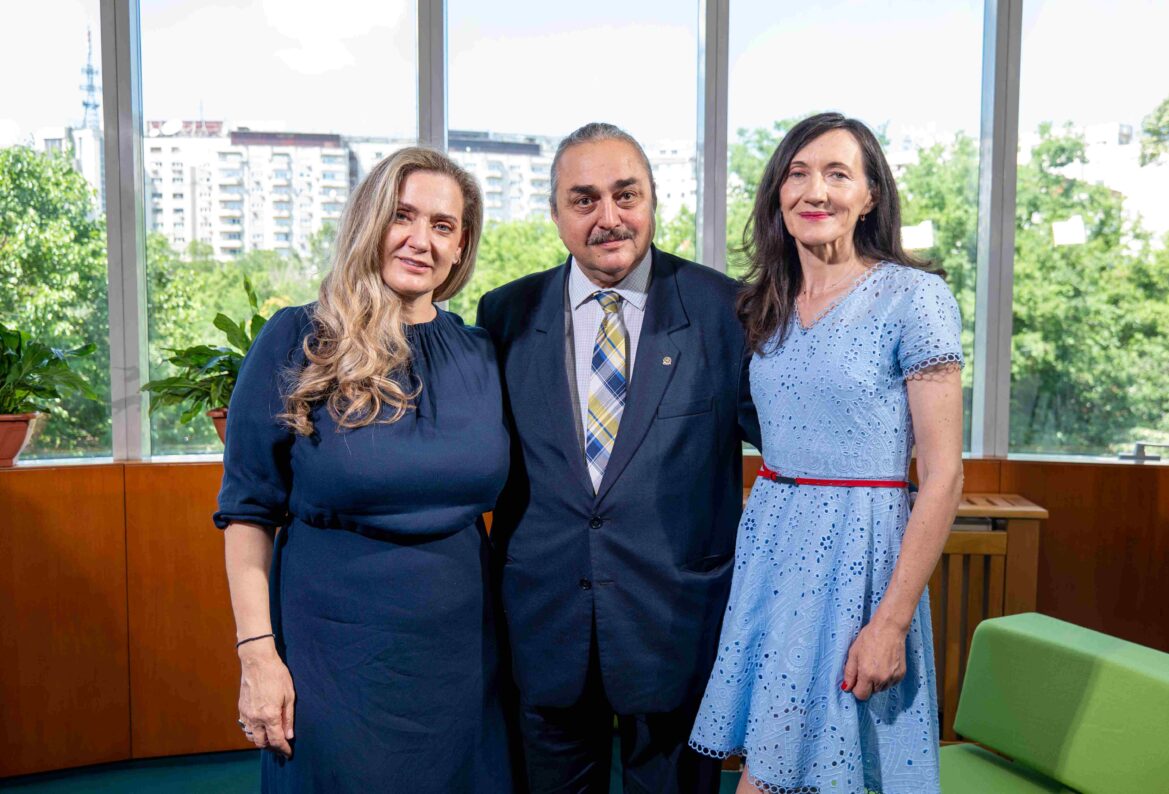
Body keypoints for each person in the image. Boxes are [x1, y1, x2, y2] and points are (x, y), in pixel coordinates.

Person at [215, 147, 512, 793]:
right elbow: (246, 511)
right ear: (369, 223)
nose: (420, 240)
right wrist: (257, 654)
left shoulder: (483, 353)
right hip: (333, 659)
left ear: (461, 247)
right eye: (401, 216)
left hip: (465, 658)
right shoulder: (297, 339)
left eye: (442, 225)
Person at [476, 122, 761, 794]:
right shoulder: (504, 314)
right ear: (555, 214)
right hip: (545, 630)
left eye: (625, 195)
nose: (609, 218)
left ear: (654, 200)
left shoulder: (727, 311)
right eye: (583, 200)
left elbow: (790, 442)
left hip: (676, 630)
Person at [688, 112, 964, 794]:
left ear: (870, 196)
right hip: (774, 552)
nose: (816, 190)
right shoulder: (763, 305)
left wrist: (892, 620)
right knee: (771, 769)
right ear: (779, 195)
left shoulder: (915, 298)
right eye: (798, 173)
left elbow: (945, 475)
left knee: (839, 772)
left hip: (863, 560)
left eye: (838, 174)